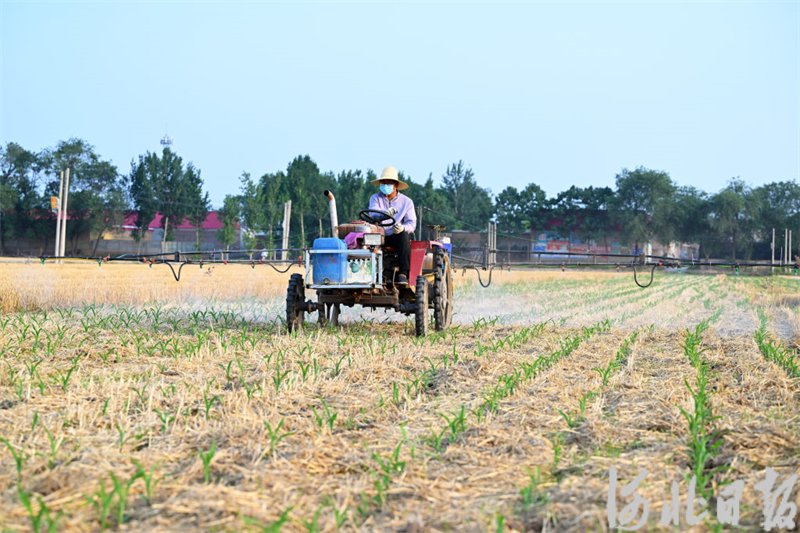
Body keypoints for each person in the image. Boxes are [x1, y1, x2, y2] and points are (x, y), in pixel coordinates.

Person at [368, 166, 416, 284]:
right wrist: (383, 214)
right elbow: (373, 213)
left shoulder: (407, 202)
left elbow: (412, 223)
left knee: (404, 236)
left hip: (395, 235)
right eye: (383, 183)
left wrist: (402, 228)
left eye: (388, 183)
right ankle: (367, 272)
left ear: (395, 185)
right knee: (362, 237)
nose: (385, 186)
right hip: (379, 235)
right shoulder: (375, 198)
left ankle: (403, 273)